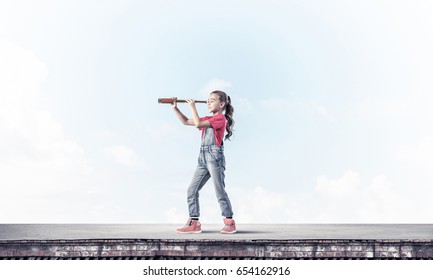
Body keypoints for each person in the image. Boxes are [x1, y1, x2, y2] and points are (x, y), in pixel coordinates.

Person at [171, 90, 236, 234]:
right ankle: (194, 222)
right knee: (191, 190)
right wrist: (175, 108)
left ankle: (229, 222)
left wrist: (193, 107)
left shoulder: (220, 119)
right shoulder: (209, 118)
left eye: (212, 100)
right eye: (208, 100)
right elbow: (187, 121)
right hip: (202, 158)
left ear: (221, 104)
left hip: (214, 157)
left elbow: (197, 123)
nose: (208, 102)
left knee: (219, 190)